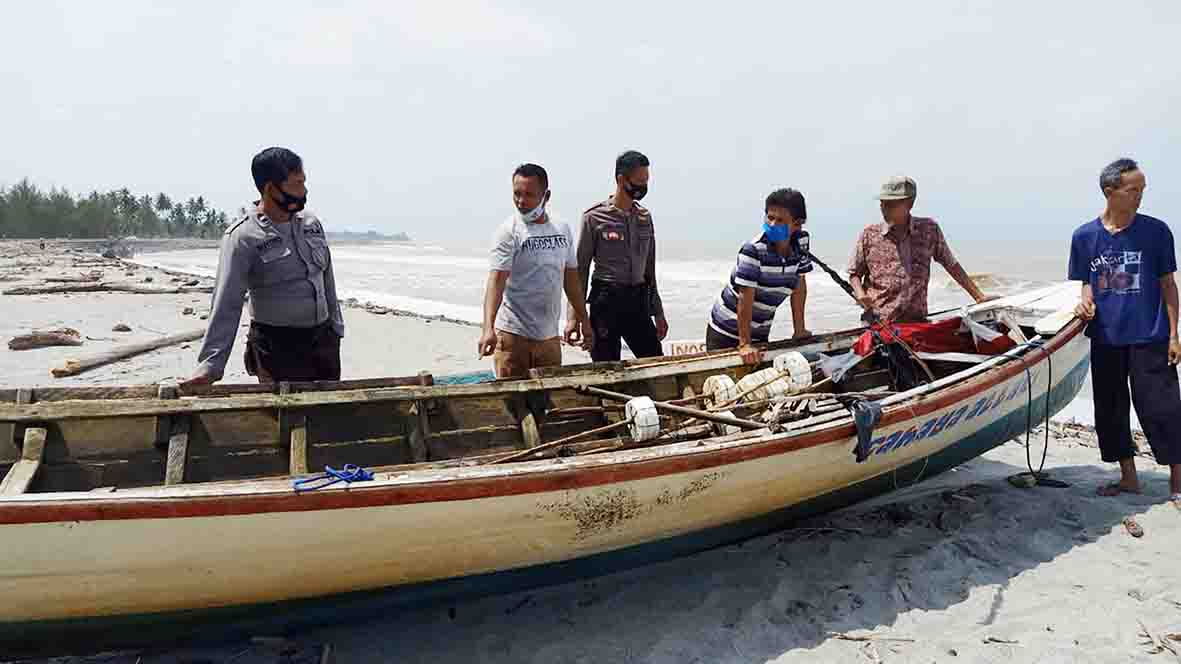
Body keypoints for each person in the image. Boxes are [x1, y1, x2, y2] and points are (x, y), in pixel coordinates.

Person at [1069, 158, 1180, 501]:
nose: (1140, 196)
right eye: (1134, 190)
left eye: (1142, 189)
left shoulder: (1157, 231)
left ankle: (1177, 483)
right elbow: (1086, 283)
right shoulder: (1085, 236)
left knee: (1163, 409)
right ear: (1110, 191)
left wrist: (1175, 334)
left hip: (1151, 336)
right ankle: (1128, 477)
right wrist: (1084, 303)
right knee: (1111, 409)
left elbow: (1168, 285)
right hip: (1106, 338)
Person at [184, 147, 344, 386]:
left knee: (326, 417)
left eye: (304, 182)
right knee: (284, 419)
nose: (304, 191)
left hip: (323, 343)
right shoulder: (243, 236)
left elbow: (326, 279)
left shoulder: (311, 224)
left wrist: (335, 327)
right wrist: (210, 366)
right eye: (296, 184)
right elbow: (227, 303)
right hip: (276, 348)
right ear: (271, 189)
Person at [478, 163, 593, 378]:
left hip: (549, 338)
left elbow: (570, 279)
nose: (521, 202)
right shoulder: (509, 231)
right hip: (513, 336)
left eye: (529, 195)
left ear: (546, 196)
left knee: (550, 403)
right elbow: (496, 282)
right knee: (514, 404)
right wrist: (488, 329)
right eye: (516, 194)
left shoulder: (561, 228)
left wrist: (582, 320)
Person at [847, 175, 994, 322]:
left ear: (910, 203)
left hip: (916, 321)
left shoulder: (929, 230)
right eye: (882, 203)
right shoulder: (869, 234)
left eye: (890, 203)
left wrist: (979, 297)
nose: (883, 208)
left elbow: (951, 265)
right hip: (878, 322)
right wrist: (860, 293)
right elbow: (854, 274)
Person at [571, 150, 667, 362]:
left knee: (655, 364)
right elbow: (580, 271)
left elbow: (649, 270)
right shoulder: (593, 217)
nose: (643, 187)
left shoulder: (644, 217)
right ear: (621, 179)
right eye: (639, 181)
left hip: (638, 301)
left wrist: (658, 312)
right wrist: (575, 318)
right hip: (606, 302)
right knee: (606, 370)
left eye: (646, 181)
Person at [706, 188, 813, 364]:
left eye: (780, 220)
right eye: (769, 217)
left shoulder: (801, 242)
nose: (772, 224)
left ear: (797, 224)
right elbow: (745, 297)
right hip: (726, 330)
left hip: (760, 331)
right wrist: (744, 344)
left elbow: (799, 286)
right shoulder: (753, 250)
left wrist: (799, 330)